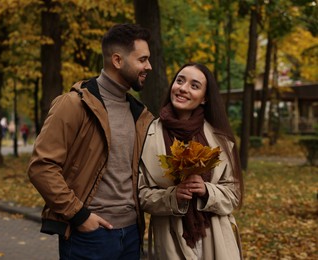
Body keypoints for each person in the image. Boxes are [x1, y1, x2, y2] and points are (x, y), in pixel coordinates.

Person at [27, 23, 154, 260]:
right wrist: (79, 216)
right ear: (117, 60)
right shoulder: (74, 104)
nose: (149, 66)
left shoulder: (140, 114)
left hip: (132, 235)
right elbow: (41, 167)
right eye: (142, 59)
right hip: (90, 236)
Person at [138, 62, 244, 259]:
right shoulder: (147, 135)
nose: (183, 89)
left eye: (194, 86)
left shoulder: (221, 139)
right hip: (169, 237)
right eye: (180, 81)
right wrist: (172, 196)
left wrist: (206, 190)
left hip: (216, 238)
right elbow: (140, 194)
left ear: (204, 98)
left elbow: (234, 195)